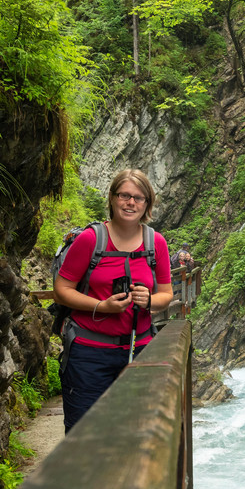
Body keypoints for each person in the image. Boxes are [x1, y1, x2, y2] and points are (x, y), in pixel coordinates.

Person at [52, 169, 173, 432]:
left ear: (147, 205)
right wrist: (101, 306)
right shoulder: (91, 239)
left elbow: (166, 294)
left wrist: (149, 300)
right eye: (125, 195)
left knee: (136, 431)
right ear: (113, 198)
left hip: (139, 349)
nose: (131, 203)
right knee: (83, 433)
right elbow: (61, 289)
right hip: (88, 353)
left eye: (139, 198)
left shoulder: (156, 244)